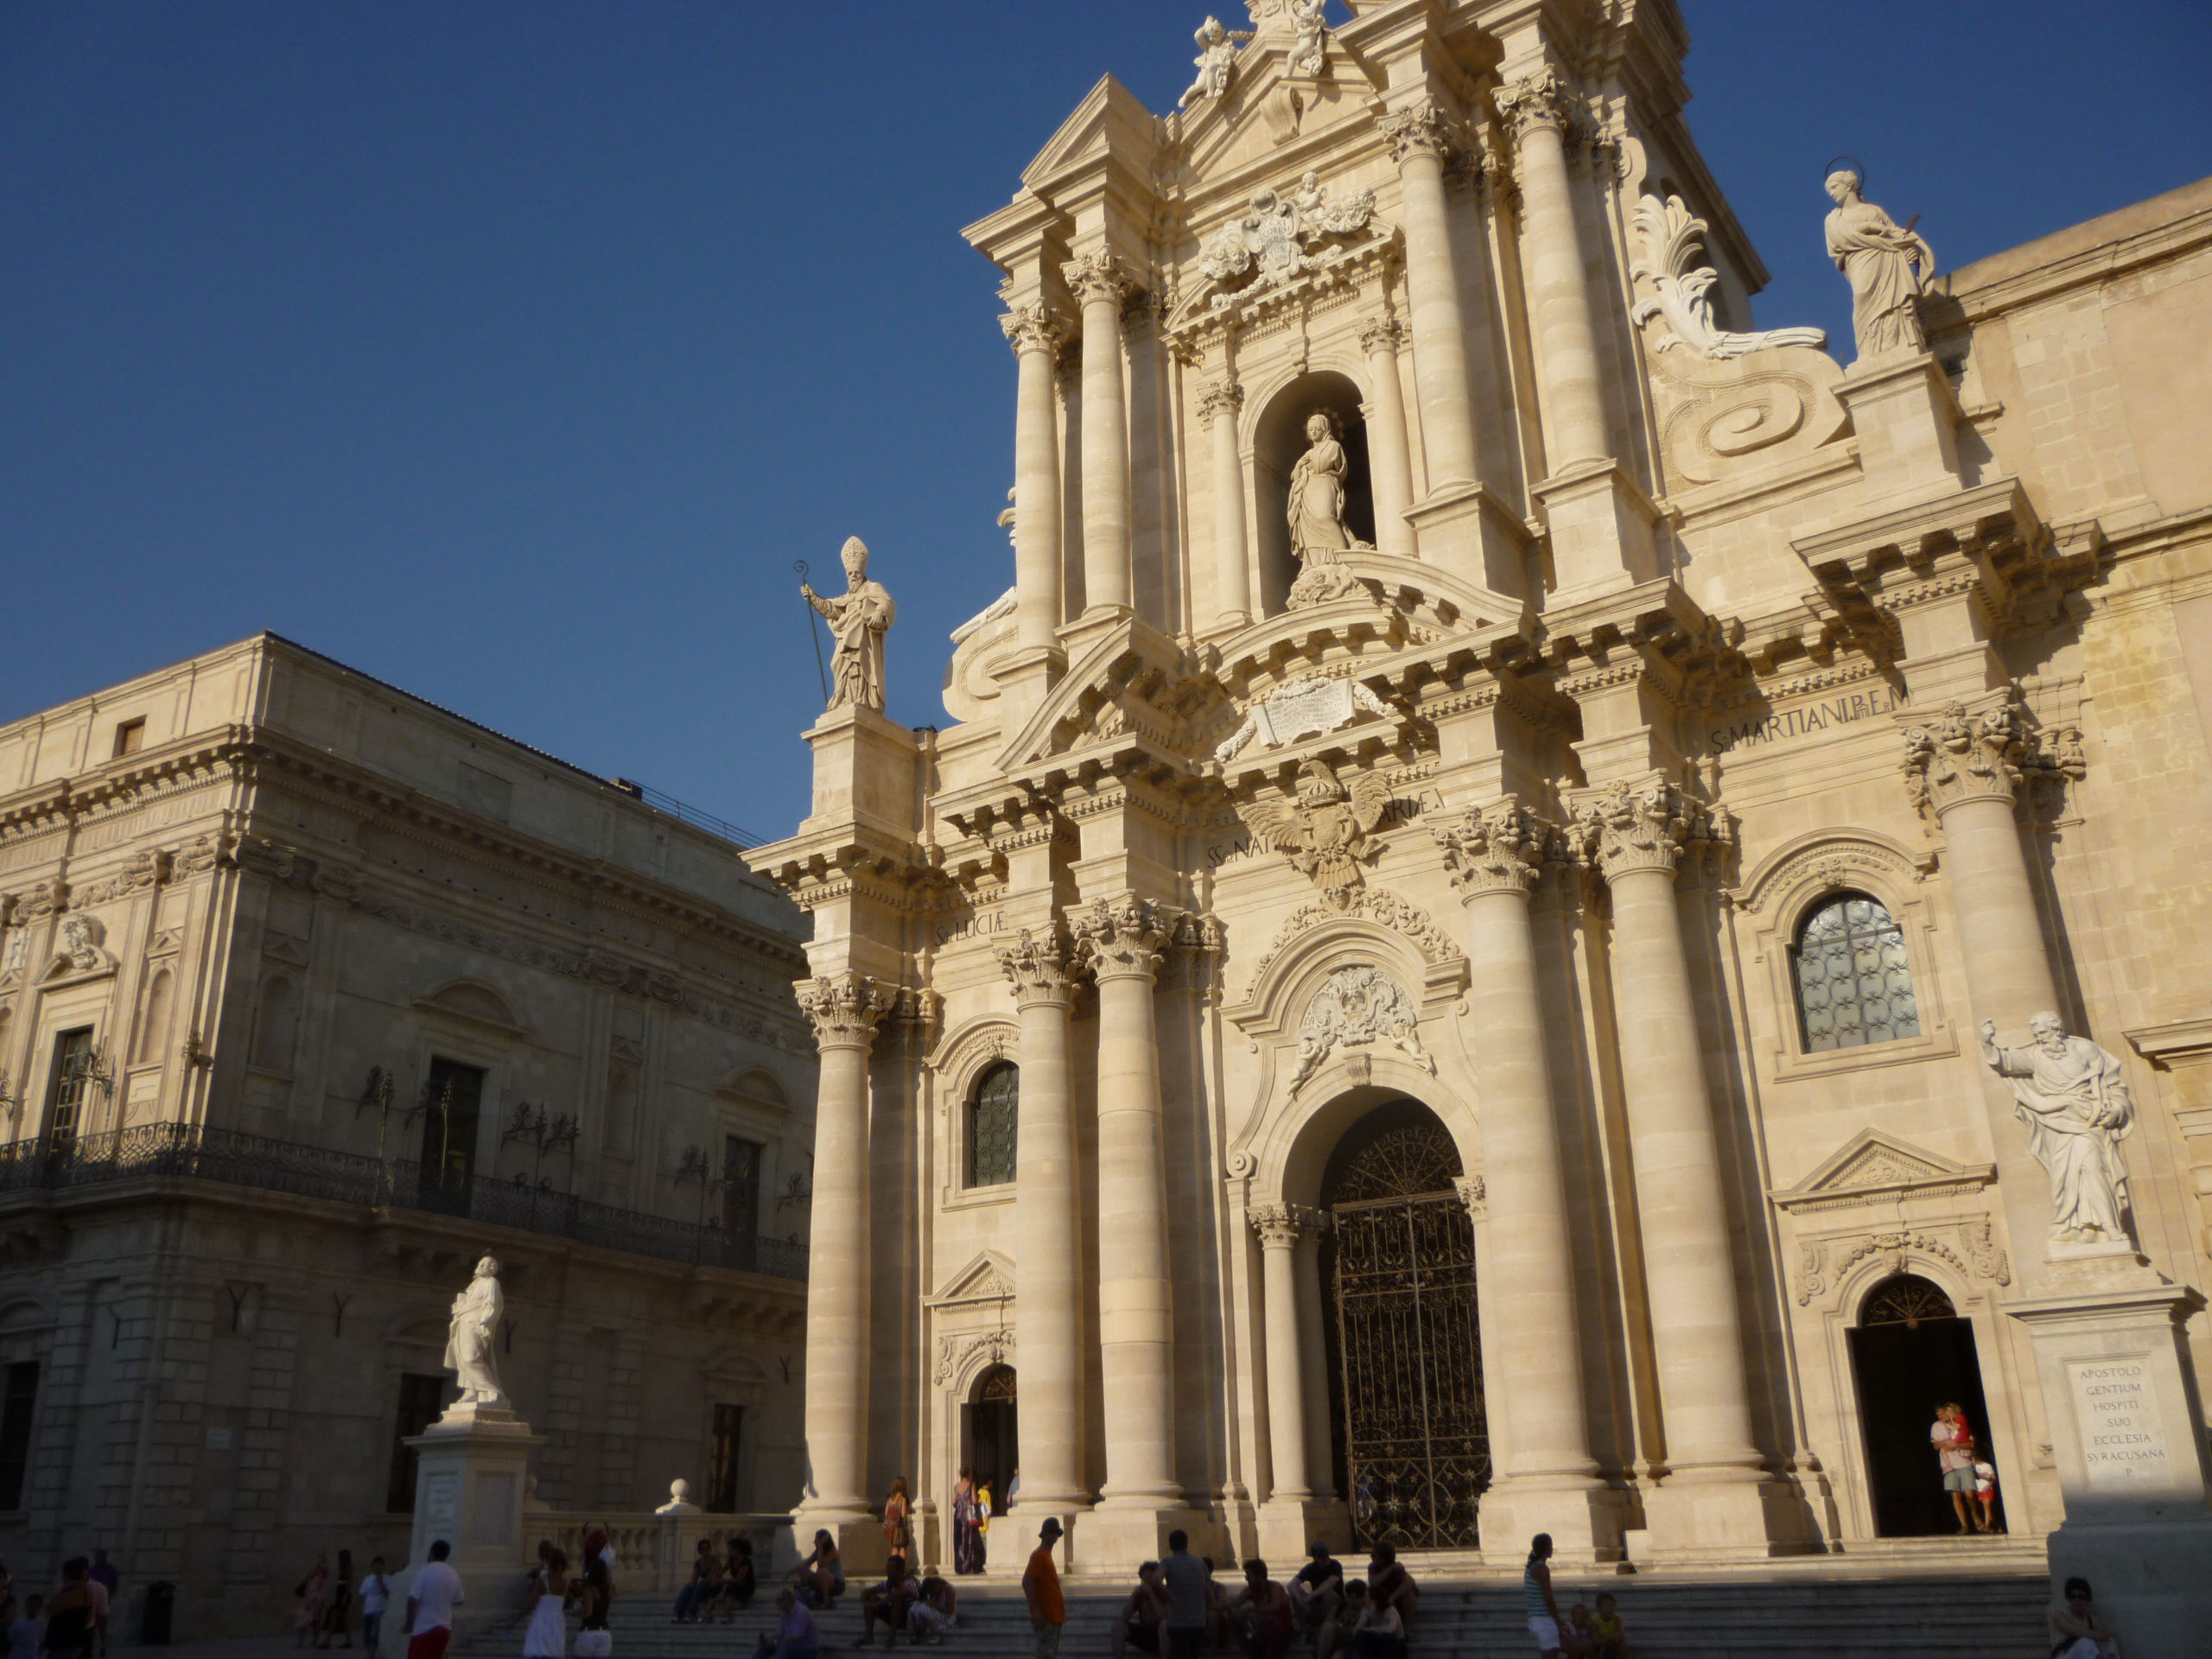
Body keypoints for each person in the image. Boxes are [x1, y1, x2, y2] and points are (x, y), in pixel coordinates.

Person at [404, 1541, 465, 1659]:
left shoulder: (425, 1571)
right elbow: (459, 1600)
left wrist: (409, 1624)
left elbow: (412, 1599)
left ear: (431, 1553)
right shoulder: (453, 1574)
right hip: (445, 1628)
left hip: (424, 1628)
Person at [1224, 1560, 1294, 1659]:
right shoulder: (1249, 1590)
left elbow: (1273, 1607)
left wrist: (1251, 1609)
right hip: (1260, 1633)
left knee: (1268, 1621)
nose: (1246, 1578)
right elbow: (1233, 1605)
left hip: (1281, 1633)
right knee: (1235, 1618)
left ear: (1259, 1576)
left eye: (1249, 1575)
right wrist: (1233, 1611)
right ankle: (1252, 1652)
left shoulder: (1275, 1587)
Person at [1931, 1403, 1982, 1533]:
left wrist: (1956, 1445)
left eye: (1942, 1413)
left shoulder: (1960, 1423)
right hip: (1948, 1465)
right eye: (1938, 1415)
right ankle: (1964, 1524)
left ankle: (1975, 1515)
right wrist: (1944, 1444)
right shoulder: (1936, 1426)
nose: (1940, 1416)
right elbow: (1935, 1445)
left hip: (1963, 1462)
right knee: (1955, 1494)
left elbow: (1971, 1444)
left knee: (1969, 1492)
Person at [1160, 1531, 1210, 1659]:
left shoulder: (1167, 1562)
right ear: (1186, 1544)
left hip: (1178, 1621)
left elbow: (1155, 1580)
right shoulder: (1199, 1562)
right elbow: (1208, 1589)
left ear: (1170, 1545)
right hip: (1198, 1619)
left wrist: (1170, 1597)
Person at [1022, 1517, 1066, 1659]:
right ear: (1044, 1534)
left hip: (1053, 1616)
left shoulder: (1046, 1555)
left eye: (1056, 1533)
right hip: (1046, 1616)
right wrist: (1037, 1610)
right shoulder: (1039, 1556)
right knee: (1045, 1655)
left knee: (1050, 1654)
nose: (1054, 1536)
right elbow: (1027, 1581)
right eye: (1051, 1533)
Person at [2050, 1576, 2121, 1659]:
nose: (2077, 1600)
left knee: (2109, 1642)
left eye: (2081, 1597)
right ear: (2068, 1598)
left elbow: (2108, 1634)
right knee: (2085, 1643)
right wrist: (2097, 1634)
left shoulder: (2091, 1620)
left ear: (2087, 1599)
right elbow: (2075, 1631)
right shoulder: (2060, 1615)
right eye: (2073, 1596)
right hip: (2064, 1656)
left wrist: (2103, 1635)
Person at [1111, 1561, 1167, 1659]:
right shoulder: (1140, 1593)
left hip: (1162, 1636)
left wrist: (1151, 1595)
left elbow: (1164, 1616)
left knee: (1164, 1625)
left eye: (1151, 1577)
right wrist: (1134, 1596)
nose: (1148, 1581)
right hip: (1145, 1634)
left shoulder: (1165, 1591)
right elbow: (1124, 1617)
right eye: (1145, 1578)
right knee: (1118, 1625)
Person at [858, 1554, 915, 1648]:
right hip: (893, 1617)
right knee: (872, 1598)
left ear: (899, 1571)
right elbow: (866, 1592)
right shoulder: (888, 1583)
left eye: (890, 1568)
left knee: (898, 1599)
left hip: (908, 1619)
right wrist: (866, 1605)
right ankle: (868, 1636)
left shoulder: (911, 1582)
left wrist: (877, 1605)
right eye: (887, 1568)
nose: (887, 1571)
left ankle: (892, 1637)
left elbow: (898, 1593)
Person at [523, 1543, 568, 1659]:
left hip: (542, 1621)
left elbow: (530, 1604)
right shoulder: (565, 1583)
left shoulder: (542, 1581)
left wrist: (514, 1620)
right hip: (557, 1622)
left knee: (539, 1650)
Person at [1365, 1545, 1418, 1643]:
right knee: (1367, 1597)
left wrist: (1393, 1597)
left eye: (1374, 1555)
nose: (1371, 1557)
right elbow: (1373, 1582)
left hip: (1396, 1598)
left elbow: (1410, 1582)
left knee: (1410, 1597)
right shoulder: (1373, 1567)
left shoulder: (1398, 1569)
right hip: (1380, 1598)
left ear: (1383, 1558)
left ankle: (1408, 1630)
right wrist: (1390, 1569)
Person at [43, 1560, 95, 1659]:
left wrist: (64, 1590)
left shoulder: (76, 1592)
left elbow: (50, 1609)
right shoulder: (82, 1590)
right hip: (69, 1642)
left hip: (66, 1644)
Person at [1524, 1534, 1565, 1659]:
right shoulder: (1542, 1569)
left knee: (1576, 1649)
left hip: (1538, 1619)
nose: (1552, 1549)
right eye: (1550, 1546)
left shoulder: (1531, 1566)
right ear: (1546, 1548)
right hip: (1545, 1621)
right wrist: (1558, 1622)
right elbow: (1549, 1599)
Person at [1288, 1545, 1343, 1634]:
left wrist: (1312, 1594)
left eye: (1325, 1555)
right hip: (1316, 1602)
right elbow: (1291, 1585)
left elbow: (1332, 1581)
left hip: (1334, 1602)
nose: (1324, 1558)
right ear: (1314, 1558)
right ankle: (1304, 1631)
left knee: (1327, 1593)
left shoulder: (1335, 1565)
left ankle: (1323, 1628)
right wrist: (1301, 1601)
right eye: (1320, 1556)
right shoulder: (1310, 1568)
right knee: (1295, 1594)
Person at [571, 1541, 612, 1659]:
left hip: (589, 1632)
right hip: (605, 1632)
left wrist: (577, 1613)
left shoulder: (590, 1589)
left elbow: (588, 1612)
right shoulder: (609, 1589)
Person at [753, 1586, 817, 1659]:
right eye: (777, 1601)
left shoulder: (801, 1613)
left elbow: (796, 1639)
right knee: (764, 1648)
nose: (778, 1604)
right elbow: (780, 1635)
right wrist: (769, 1641)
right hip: (792, 1647)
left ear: (789, 1600)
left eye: (780, 1600)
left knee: (783, 1648)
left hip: (807, 1649)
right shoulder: (785, 1614)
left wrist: (776, 1642)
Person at [789, 1531, 842, 1610]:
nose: (814, 1542)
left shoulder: (833, 1552)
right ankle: (808, 1595)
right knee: (804, 1571)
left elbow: (821, 1565)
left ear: (823, 1541)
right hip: (824, 1582)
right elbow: (806, 1563)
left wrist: (820, 1545)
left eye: (816, 1540)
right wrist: (789, 1573)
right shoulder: (818, 1552)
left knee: (822, 1571)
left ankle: (826, 1602)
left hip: (837, 1585)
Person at [1351, 1585, 1405, 1659]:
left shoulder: (1391, 1611)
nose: (1364, 1599)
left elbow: (1390, 1630)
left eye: (1366, 1596)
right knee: (1361, 1636)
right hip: (1375, 1647)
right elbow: (1356, 1632)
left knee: (1387, 1638)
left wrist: (1369, 1629)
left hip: (1394, 1646)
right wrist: (1367, 1616)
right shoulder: (1365, 1611)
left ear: (1374, 1600)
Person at [1317, 1580, 1366, 1659]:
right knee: (1327, 1626)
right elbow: (1326, 1625)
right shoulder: (1340, 1607)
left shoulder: (1367, 1610)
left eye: (1355, 1598)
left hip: (1352, 1644)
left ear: (1363, 1596)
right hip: (1337, 1640)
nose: (1352, 1601)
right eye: (1349, 1597)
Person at [673, 1539, 719, 1622]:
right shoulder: (698, 1563)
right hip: (703, 1585)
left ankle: (691, 1610)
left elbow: (711, 1577)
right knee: (688, 1587)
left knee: (700, 1585)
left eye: (707, 1548)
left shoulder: (714, 1561)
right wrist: (691, 1585)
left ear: (710, 1549)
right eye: (703, 1549)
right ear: (700, 1551)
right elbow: (694, 1578)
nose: (705, 1551)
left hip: (713, 1586)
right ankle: (679, 1611)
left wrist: (698, 1583)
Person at [907, 1572, 957, 1646]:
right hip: (936, 1614)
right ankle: (915, 1635)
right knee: (914, 1608)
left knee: (922, 1610)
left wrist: (932, 1604)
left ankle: (936, 1635)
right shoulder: (934, 1593)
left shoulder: (949, 1589)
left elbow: (950, 1610)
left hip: (947, 1618)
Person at [320, 1549, 356, 1649]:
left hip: (344, 1595)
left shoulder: (348, 1568)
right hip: (340, 1595)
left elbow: (350, 1583)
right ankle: (348, 1640)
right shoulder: (342, 1568)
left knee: (334, 1617)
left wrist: (345, 1597)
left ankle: (327, 1641)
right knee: (342, 1619)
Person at [951, 1469, 984, 1576]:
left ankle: (960, 1565)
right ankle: (969, 1565)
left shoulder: (956, 1486)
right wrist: (978, 1499)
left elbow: (954, 1502)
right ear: (969, 1474)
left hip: (959, 1514)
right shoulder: (971, 1484)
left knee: (959, 1539)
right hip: (969, 1512)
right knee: (970, 1538)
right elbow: (975, 1500)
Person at [715, 1537, 758, 1618]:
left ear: (737, 1549)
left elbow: (739, 1579)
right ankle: (730, 1606)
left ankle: (727, 1613)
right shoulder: (731, 1560)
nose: (728, 1551)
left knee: (730, 1587)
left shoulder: (746, 1561)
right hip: (735, 1585)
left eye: (730, 1549)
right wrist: (716, 1577)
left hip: (746, 1586)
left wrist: (723, 1580)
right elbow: (722, 1570)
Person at [295, 1554, 331, 1647]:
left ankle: (314, 1640)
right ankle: (300, 1641)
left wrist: (321, 1567)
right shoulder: (312, 1573)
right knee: (301, 1619)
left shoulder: (323, 1572)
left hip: (317, 1600)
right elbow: (306, 1582)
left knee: (315, 1621)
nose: (318, 1562)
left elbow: (325, 1573)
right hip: (308, 1599)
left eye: (321, 1560)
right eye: (318, 1559)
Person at [359, 1559, 392, 1658]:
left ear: (383, 1566)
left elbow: (389, 1595)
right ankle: (370, 1653)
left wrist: (381, 1583)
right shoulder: (367, 1579)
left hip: (380, 1610)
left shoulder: (388, 1579)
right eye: (376, 1565)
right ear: (372, 1567)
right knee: (367, 1635)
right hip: (368, 1611)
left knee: (374, 1633)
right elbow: (362, 1594)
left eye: (380, 1565)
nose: (378, 1567)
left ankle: (371, 1655)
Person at [86, 1556, 117, 1659]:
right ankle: (92, 1648)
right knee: (92, 1627)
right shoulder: (92, 1570)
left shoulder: (110, 1570)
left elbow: (114, 1584)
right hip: (93, 1602)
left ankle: (102, 1646)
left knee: (102, 1626)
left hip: (103, 1601)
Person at [1588, 1592, 1628, 1659]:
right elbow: (1596, 1640)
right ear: (1599, 1608)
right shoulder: (1595, 1622)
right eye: (1606, 1605)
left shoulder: (1617, 1619)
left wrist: (1612, 1640)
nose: (1610, 1608)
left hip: (1614, 1645)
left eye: (1612, 1605)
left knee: (1623, 1645)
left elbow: (1621, 1635)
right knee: (1594, 1647)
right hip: (1601, 1646)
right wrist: (1610, 1637)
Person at [883, 1477, 913, 1560]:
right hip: (900, 1527)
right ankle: (901, 1568)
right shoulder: (903, 1499)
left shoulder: (890, 1499)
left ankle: (893, 1567)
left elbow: (886, 1513)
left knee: (894, 1547)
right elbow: (903, 1514)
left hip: (891, 1527)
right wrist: (908, 1509)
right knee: (902, 1547)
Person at [1974, 1459, 2001, 1533]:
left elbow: (1994, 1478)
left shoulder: (1987, 1466)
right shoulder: (1974, 1467)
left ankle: (1987, 1526)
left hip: (1987, 1489)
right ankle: (1996, 1526)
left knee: (1987, 1507)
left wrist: (1988, 1483)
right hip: (1980, 1490)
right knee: (1988, 1510)